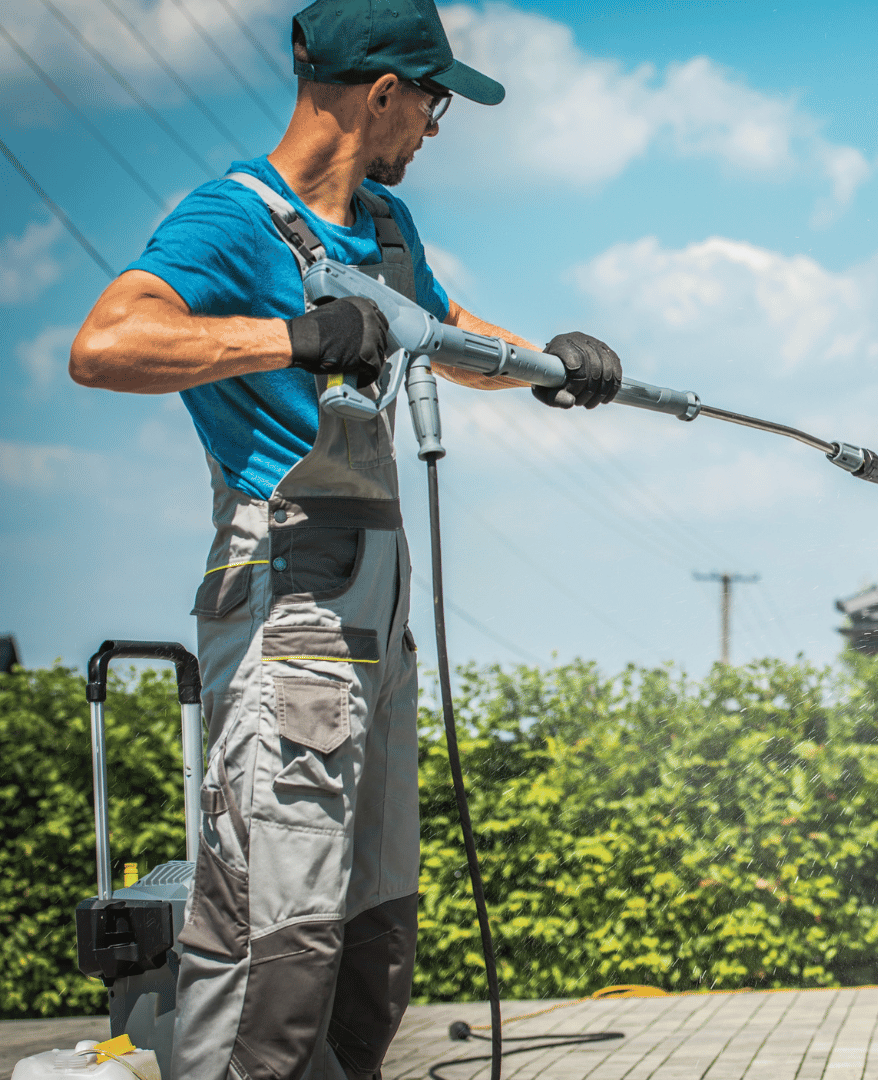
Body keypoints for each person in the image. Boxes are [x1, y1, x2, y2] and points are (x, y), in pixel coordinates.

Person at [67, 1, 621, 1076]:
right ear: (381, 95)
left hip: (380, 606)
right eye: (434, 99)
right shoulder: (233, 220)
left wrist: (551, 367)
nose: (437, 124)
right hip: (290, 603)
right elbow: (107, 341)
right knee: (279, 925)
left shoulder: (387, 230)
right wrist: (290, 335)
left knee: (371, 917)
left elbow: (449, 337)